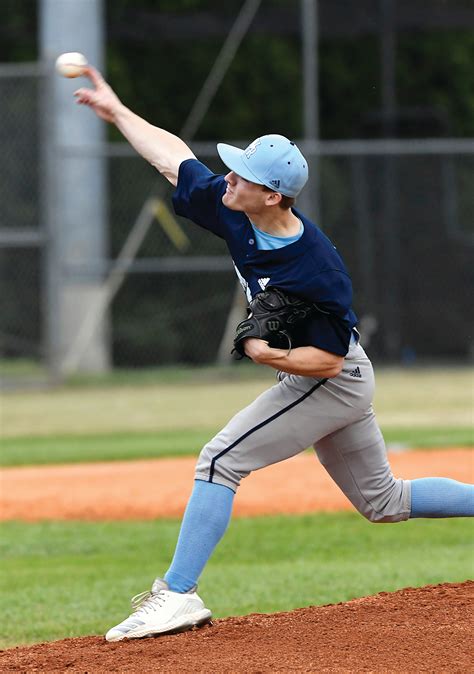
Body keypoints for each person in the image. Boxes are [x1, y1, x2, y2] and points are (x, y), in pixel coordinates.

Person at [74, 67, 474, 642]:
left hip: (328, 378)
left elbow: (329, 362)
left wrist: (266, 355)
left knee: (219, 461)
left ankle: (177, 594)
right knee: (384, 501)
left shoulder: (315, 269)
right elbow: (173, 158)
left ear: (272, 195)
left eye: (242, 176)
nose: (227, 180)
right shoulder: (235, 207)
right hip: (336, 377)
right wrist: (115, 110)